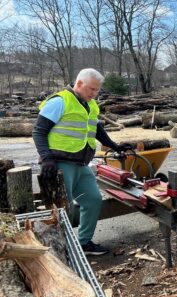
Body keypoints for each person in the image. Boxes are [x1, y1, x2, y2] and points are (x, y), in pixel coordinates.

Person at [33, 68, 132, 256]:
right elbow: (38, 131)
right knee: (63, 209)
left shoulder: (91, 104)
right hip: (59, 164)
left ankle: (84, 243)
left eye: (97, 90)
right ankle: (61, 249)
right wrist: (46, 159)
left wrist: (114, 146)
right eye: (92, 89)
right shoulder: (60, 101)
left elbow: (97, 129)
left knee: (93, 199)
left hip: (81, 163)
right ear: (79, 84)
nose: (94, 94)